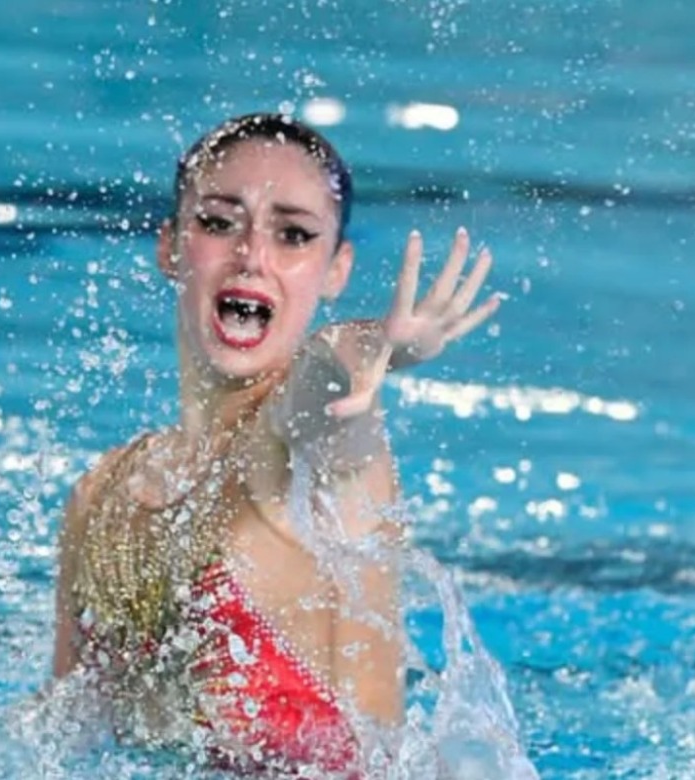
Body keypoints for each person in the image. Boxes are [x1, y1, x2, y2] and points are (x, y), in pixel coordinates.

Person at [50, 112, 501, 777]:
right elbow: (59, 734)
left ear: (336, 270)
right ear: (170, 246)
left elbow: (328, 365)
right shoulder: (101, 495)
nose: (252, 255)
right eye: (218, 222)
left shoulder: (311, 457)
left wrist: (379, 347)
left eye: (293, 235)